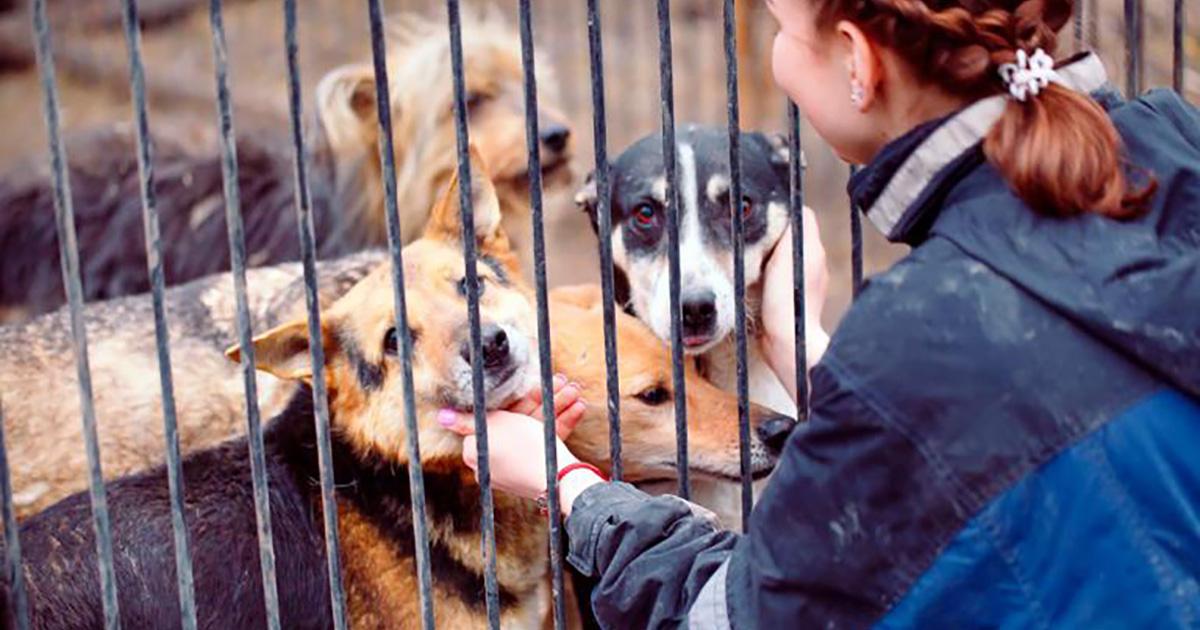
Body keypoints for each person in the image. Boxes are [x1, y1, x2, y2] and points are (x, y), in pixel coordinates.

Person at [440, 0, 1200, 625]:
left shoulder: (917, 329)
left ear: (856, 64)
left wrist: (564, 482)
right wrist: (795, 337)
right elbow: (955, 446)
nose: (773, 54)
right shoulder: (1172, 148)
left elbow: (735, 616)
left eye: (778, 31)